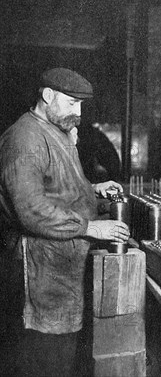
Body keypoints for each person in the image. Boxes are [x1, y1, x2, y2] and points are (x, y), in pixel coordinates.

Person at [0, 67, 130, 376]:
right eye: (72, 103)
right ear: (47, 97)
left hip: (62, 266)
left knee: (63, 353)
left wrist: (92, 190)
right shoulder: (25, 138)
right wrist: (90, 227)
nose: (79, 112)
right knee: (45, 358)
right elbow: (31, 210)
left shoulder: (53, 131)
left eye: (81, 105)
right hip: (40, 269)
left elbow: (57, 185)